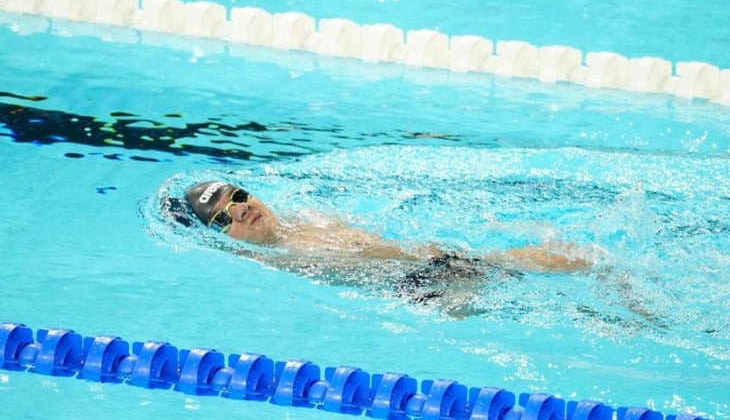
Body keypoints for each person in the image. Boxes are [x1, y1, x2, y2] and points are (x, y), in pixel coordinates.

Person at [181, 180, 593, 274]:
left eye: (238, 196)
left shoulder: (303, 218)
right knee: (549, 262)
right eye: (222, 218)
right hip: (423, 280)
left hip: (424, 265)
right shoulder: (278, 256)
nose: (239, 210)